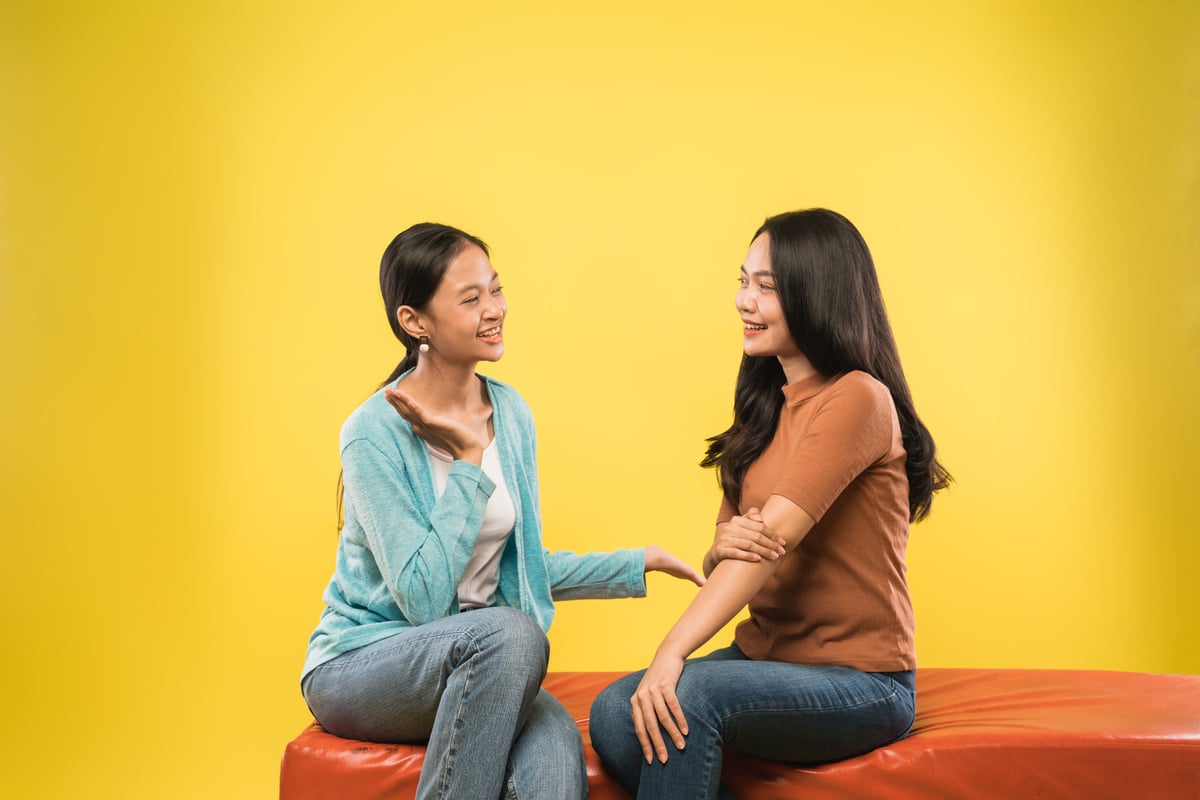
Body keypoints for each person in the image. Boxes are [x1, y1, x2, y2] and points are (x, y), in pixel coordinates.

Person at [301, 222, 704, 800]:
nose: (495, 309)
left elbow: (516, 567)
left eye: (495, 289)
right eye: (471, 299)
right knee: (514, 636)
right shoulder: (371, 433)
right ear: (415, 322)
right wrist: (467, 460)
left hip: (488, 662)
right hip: (365, 665)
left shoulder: (511, 413)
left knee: (555, 763)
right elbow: (422, 598)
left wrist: (637, 562)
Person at [589, 208, 951, 799]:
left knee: (685, 694)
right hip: (763, 659)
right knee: (613, 710)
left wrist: (670, 652)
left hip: (861, 682)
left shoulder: (857, 398)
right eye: (743, 280)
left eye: (766, 286)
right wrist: (718, 551)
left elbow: (763, 551)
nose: (742, 300)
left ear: (816, 295)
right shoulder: (764, 409)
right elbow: (727, 558)